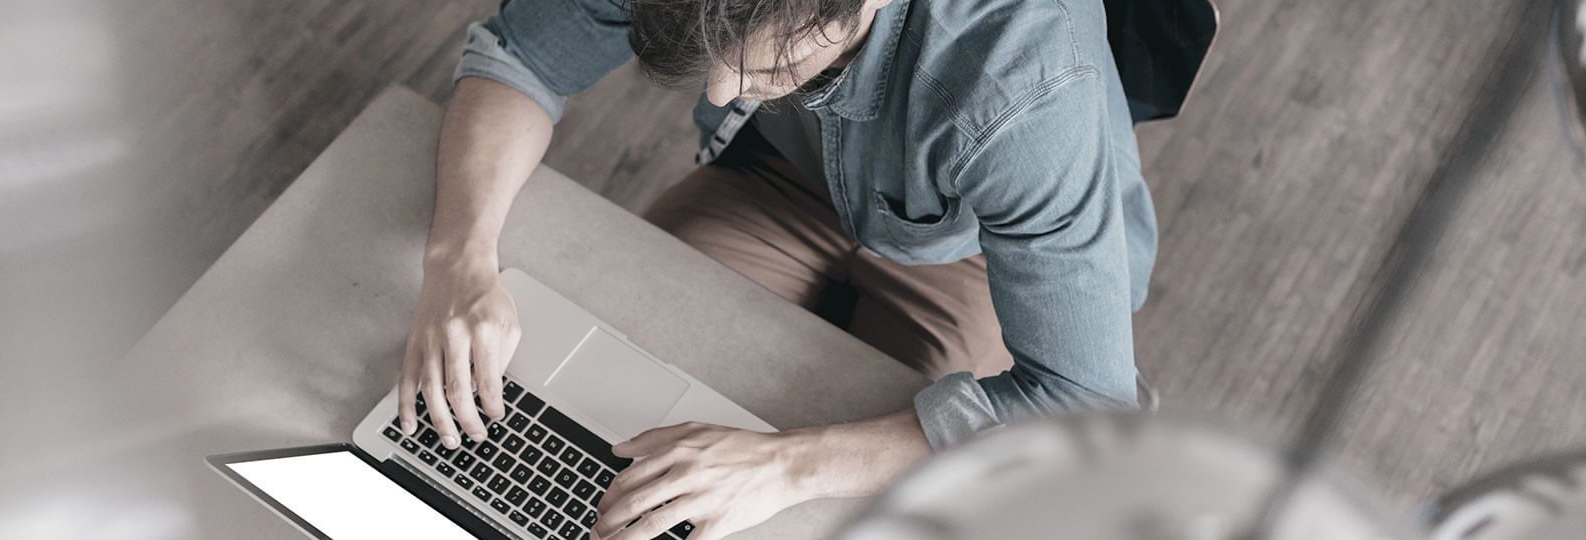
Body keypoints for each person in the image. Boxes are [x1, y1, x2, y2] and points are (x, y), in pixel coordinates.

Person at [397, 0, 1158, 536]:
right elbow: (522, 55)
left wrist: (791, 468)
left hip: (977, 253)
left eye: (765, 63)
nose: (719, 91)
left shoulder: (1026, 93)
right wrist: (457, 256)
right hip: (781, 180)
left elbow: (1081, 405)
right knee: (613, 422)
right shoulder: (744, 66)